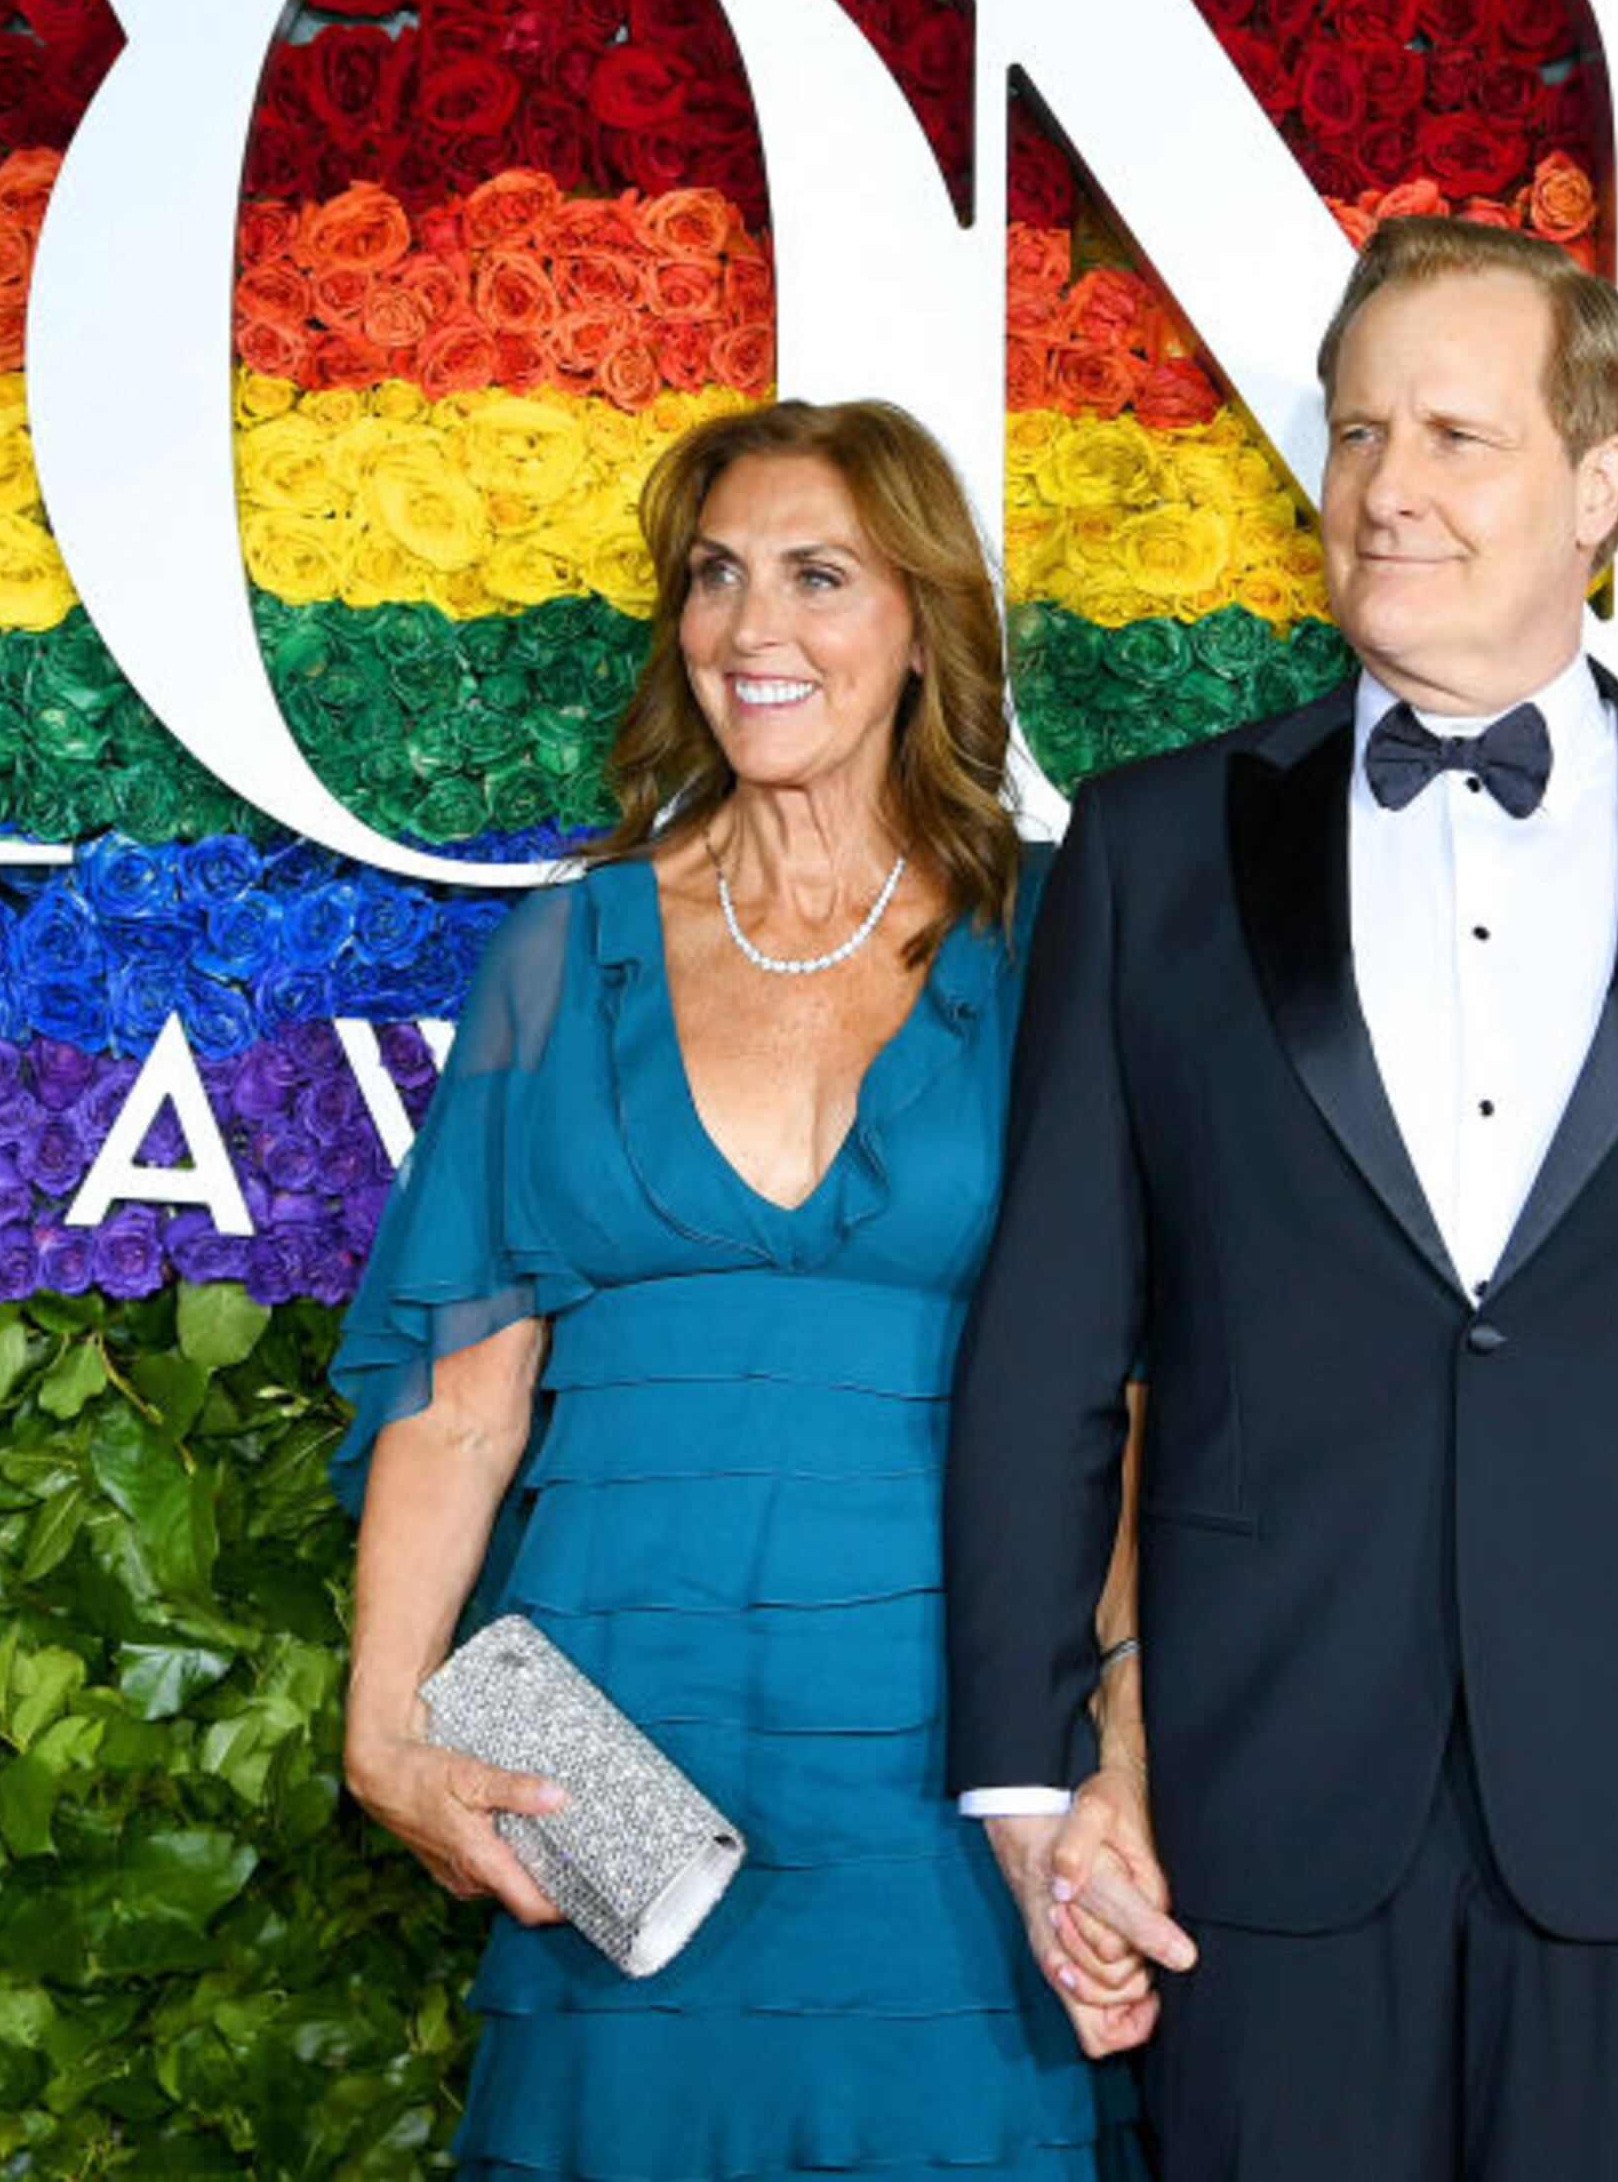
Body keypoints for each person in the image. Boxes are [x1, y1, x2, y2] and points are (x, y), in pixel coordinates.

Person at [942, 219, 1618, 2180]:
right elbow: (1051, 1341)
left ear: (1601, 485)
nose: (1385, 489)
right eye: (1355, 436)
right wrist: (1029, 1767)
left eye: (1452, 435)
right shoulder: (1156, 851)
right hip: (1253, 1799)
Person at [335, 398, 1153, 2182]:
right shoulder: (562, 951)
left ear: (923, 621)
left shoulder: (1059, 950)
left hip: (952, 1765)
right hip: (621, 1764)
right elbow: (461, 1399)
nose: (749, 629)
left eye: (816, 575)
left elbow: (1129, 1403)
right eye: (713, 578)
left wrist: (1128, 1752)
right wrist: (384, 1724)